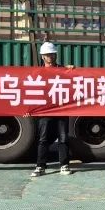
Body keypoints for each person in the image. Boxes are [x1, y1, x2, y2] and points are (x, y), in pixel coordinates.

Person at [31, 42, 75, 177]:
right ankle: (40, 166)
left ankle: (64, 165)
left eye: (52, 54)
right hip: (45, 110)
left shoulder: (64, 70)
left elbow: (74, 82)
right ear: (43, 57)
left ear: (55, 55)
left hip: (62, 109)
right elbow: (31, 91)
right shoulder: (38, 73)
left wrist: (72, 70)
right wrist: (30, 109)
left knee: (63, 138)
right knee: (43, 138)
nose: (50, 57)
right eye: (47, 55)